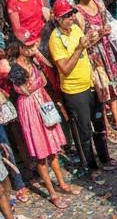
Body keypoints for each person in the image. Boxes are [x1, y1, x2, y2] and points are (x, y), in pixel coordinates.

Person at [8, 32, 76, 209]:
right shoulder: (16, 69)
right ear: (21, 49)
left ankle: (61, 183)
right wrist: (35, 83)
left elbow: (45, 77)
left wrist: (37, 56)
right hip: (31, 107)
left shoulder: (33, 61)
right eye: (29, 47)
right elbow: (26, 90)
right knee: (41, 152)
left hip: (42, 101)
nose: (33, 49)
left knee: (53, 147)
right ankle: (52, 193)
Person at [47, 0, 113, 177]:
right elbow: (65, 69)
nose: (72, 18)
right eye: (67, 15)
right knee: (85, 130)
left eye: (72, 13)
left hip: (90, 85)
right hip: (75, 91)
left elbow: (86, 46)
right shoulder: (55, 39)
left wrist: (98, 35)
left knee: (99, 125)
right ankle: (91, 166)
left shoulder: (75, 28)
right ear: (58, 19)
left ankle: (105, 158)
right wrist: (78, 49)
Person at [72, 0, 117, 133]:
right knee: (102, 87)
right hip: (94, 55)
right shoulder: (78, 12)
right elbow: (82, 38)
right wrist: (100, 33)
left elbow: (106, 21)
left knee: (113, 83)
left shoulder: (98, 2)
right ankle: (106, 124)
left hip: (106, 49)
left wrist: (108, 29)